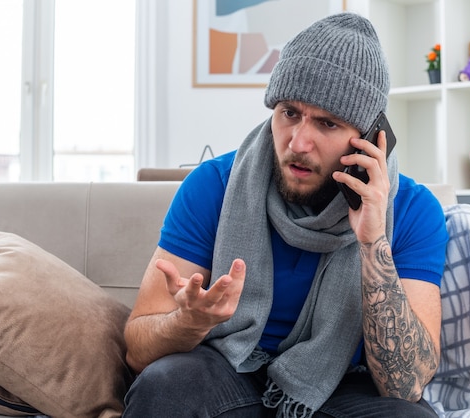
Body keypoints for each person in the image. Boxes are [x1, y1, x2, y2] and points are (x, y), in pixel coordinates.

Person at [122, 12, 448, 418]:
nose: (298, 141)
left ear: (368, 139)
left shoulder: (415, 210)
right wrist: (187, 322)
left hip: (342, 384)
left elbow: (405, 385)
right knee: (163, 387)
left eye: (327, 122)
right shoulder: (213, 185)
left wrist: (372, 242)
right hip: (229, 365)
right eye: (289, 112)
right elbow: (137, 350)